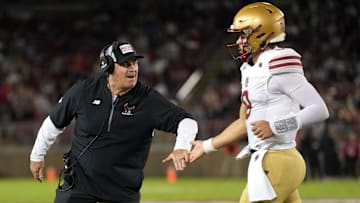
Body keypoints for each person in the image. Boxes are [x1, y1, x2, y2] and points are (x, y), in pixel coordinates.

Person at [190, 2, 329, 203]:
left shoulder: (277, 63)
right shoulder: (252, 70)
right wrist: (206, 146)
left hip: (278, 159)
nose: (238, 41)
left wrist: (275, 126)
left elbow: (319, 110)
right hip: (272, 161)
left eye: (243, 34)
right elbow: (244, 123)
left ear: (261, 33)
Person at [29, 41, 198, 203]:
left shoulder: (148, 100)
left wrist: (182, 146)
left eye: (134, 63)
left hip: (122, 189)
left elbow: (187, 121)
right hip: (79, 183)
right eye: (126, 64)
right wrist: (37, 155)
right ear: (108, 66)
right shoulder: (84, 91)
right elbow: (53, 123)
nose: (132, 69)